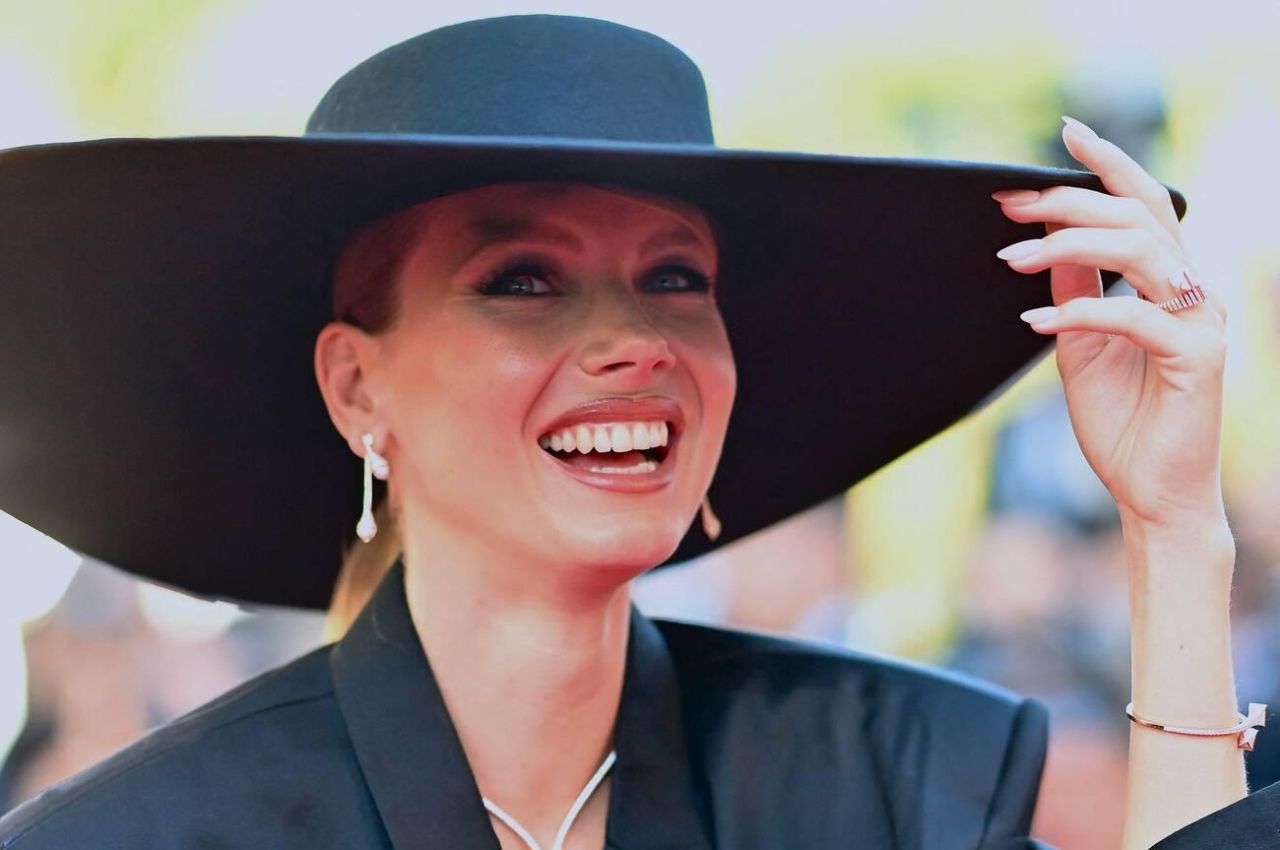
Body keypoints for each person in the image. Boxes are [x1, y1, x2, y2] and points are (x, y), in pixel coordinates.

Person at [0, 13, 1273, 849]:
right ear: (355, 387)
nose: (637, 340)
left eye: (677, 277)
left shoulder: (900, 779)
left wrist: (1169, 527)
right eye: (522, 279)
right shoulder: (141, 833)